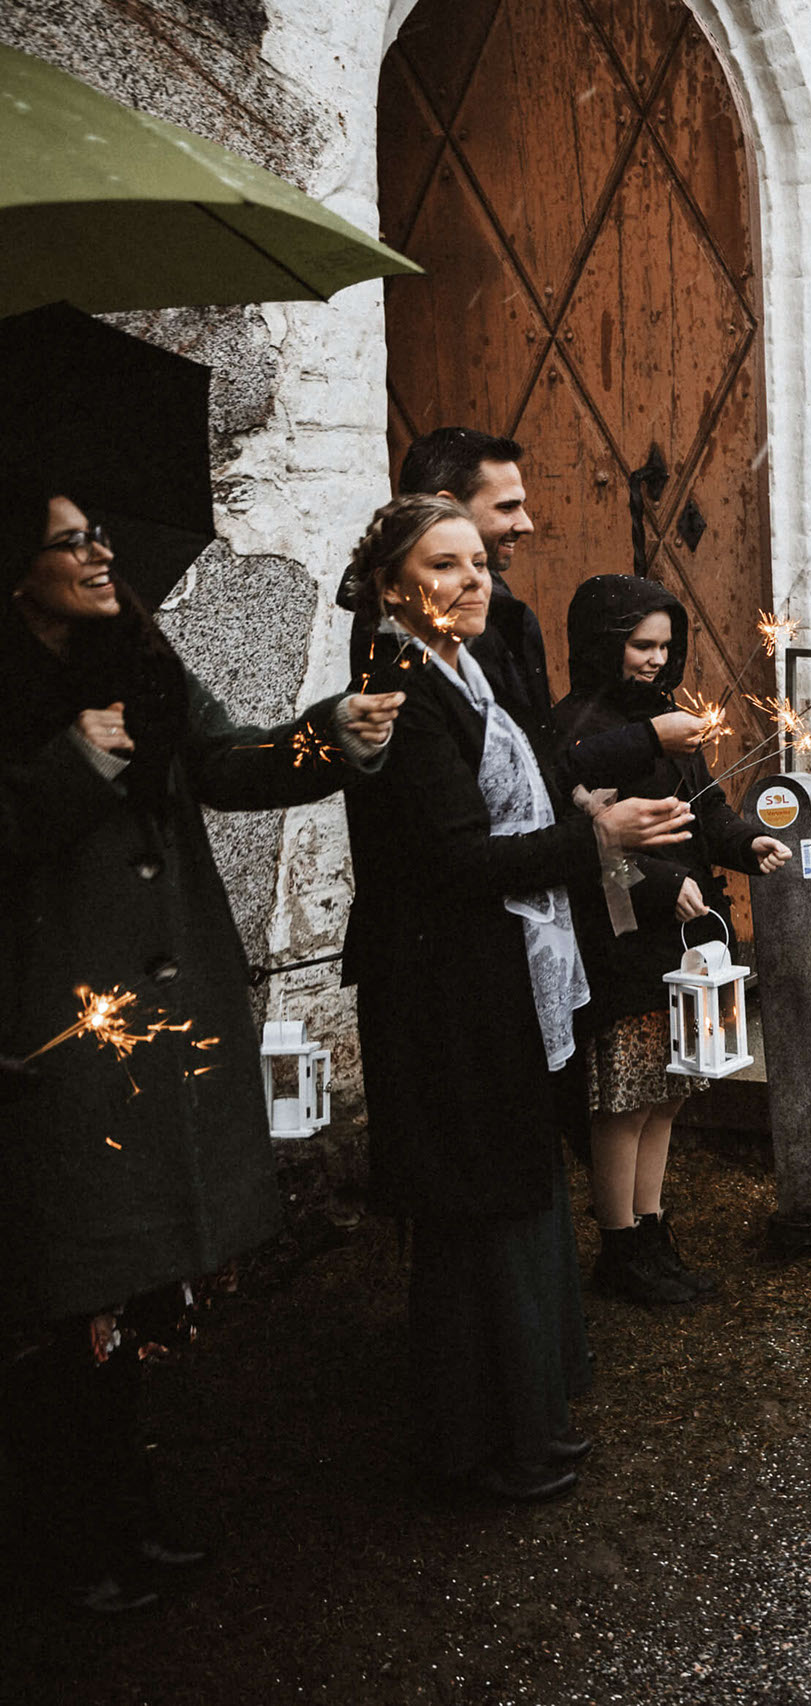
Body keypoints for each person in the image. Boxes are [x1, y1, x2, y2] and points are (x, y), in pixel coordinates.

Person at [0, 484, 400, 1610]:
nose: (96, 552)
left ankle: (121, 1508)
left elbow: (233, 762)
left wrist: (333, 732)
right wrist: (67, 766)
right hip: (53, 1029)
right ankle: (68, 1538)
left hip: (157, 1019)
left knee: (128, 1287)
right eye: (67, 539)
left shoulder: (141, 655)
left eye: (98, 532)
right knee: (69, 1284)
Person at [340, 495, 694, 1504]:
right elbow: (453, 859)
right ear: (392, 585)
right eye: (442, 566)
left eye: (475, 564)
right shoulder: (395, 687)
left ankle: (528, 1412)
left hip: (498, 969)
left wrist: (592, 804)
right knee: (473, 1206)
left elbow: (536, 776)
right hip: (445, 985)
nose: (472, 580)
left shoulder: (465, 665)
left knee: (511, 1183)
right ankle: (481, 1438)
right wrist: (596, 840)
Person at [552, 577, 790, 1306]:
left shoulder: (672, 720)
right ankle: (619, 1243)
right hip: (620, 940)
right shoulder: (575, 734)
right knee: (623, 1100)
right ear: (603, 645)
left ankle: (653, 1229)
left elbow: (705, 809)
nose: (656, 660)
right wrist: (657, 884)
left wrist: (750, 843)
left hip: (681, 942)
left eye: (664, 645)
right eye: (639, 645)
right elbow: (587, 838)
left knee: (666, 1093)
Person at [343, 426, 691, 779]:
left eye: (478, 567)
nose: (526, 525)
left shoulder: (486, 613)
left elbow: (529, 764)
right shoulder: (420, 639)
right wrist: (643, 746)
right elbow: (486, 793)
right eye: (507, 507)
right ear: (449, 508)